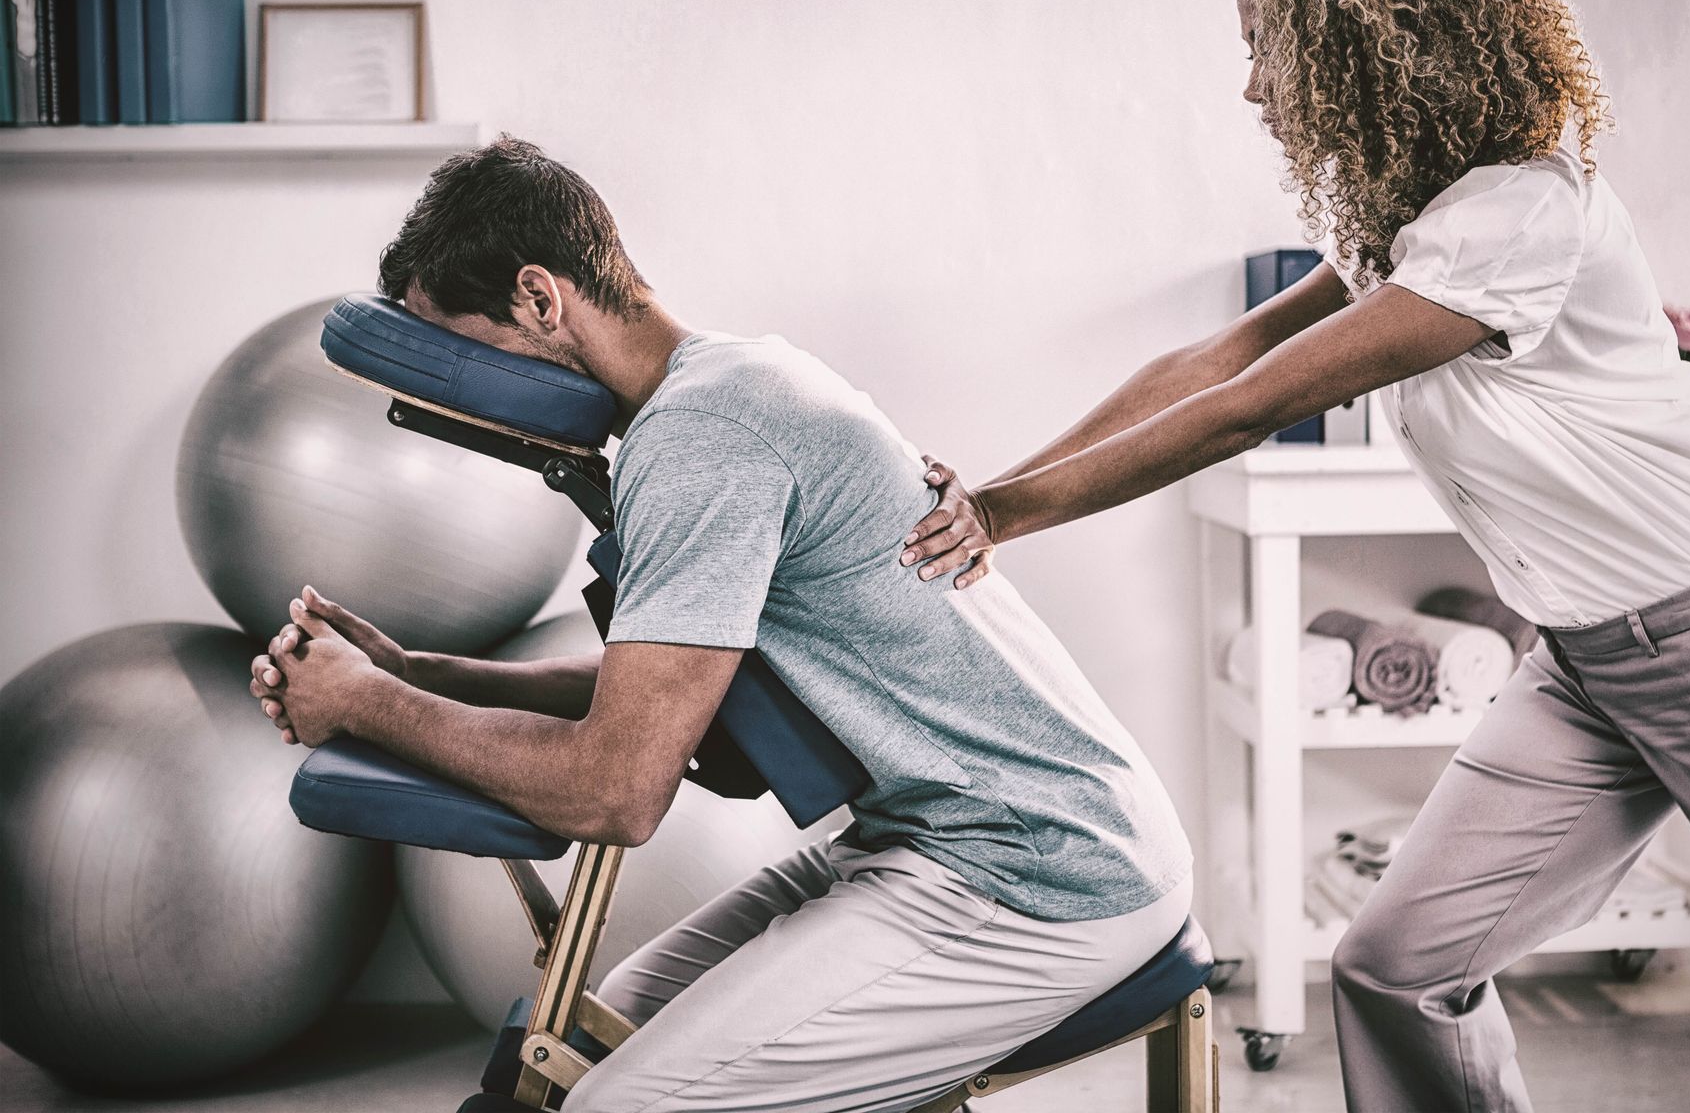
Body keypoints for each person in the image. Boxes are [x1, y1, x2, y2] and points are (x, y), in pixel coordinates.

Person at [898, 0, 1690, 1113]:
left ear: (1356, 36)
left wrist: (1001, 519)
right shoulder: (1412, 215)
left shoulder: (1514, 206)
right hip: (1591, 659)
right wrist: (997, 486)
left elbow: (1249, 406)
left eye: (1267, 42)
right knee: (1393, 967)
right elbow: (1218, 356)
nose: (1254, 82)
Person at [246, 136, 1192, 1113]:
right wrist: (419, 672)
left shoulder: (703, 439)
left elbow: (615, 791)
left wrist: (367, 703)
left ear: (539, 298)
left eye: (463, 349)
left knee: (623, 1104)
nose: (465, 392)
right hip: (934, 834)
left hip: (1038, 873)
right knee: (599, 1026)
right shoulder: (732, 378)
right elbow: (672, 680)